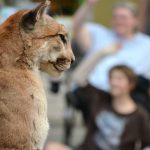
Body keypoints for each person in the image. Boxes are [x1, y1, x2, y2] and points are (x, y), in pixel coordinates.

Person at [78, 65, 150, 150]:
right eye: (111, 78)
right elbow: (79, 78)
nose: (114, 82)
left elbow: (147, 144)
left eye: (119, 79)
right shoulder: (100, 99)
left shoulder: (139, 115)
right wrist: (103, 53)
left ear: (131, 84)